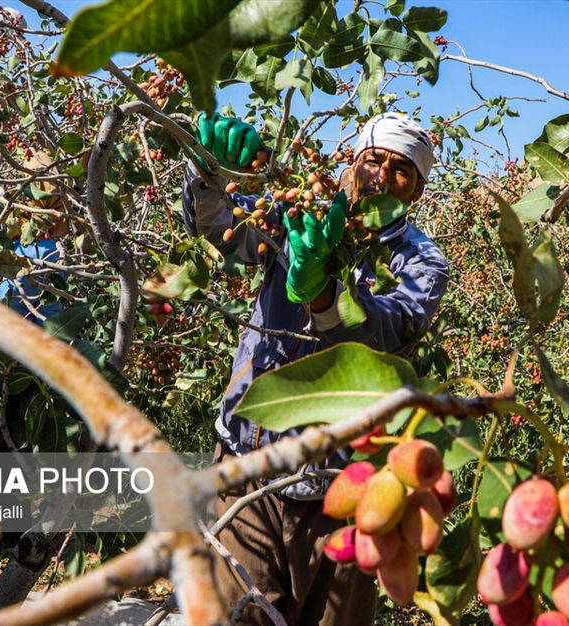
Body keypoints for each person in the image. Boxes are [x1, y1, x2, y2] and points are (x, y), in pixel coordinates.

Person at [182, 111, 450, 625]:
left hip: (341, 489)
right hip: (246, 462)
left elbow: (387, 332)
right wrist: (209, 171)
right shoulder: (297, 212)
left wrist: (324, 295)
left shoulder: (421, 262)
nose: (381, 176)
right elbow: (220, 229)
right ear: (351, 163)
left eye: (401, 170)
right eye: (373, 160)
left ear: (417, 190)